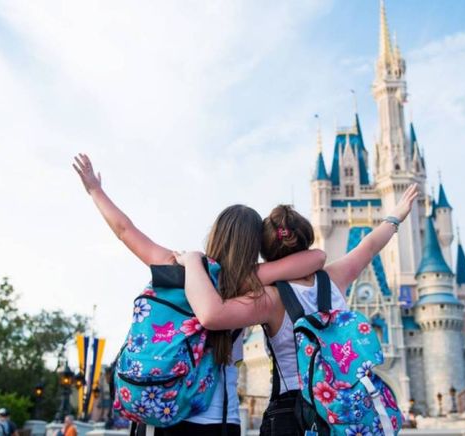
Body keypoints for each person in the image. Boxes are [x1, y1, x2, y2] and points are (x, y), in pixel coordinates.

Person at [72, 153, 326, 436]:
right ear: (254, 244)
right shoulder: (248, 280)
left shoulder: (178, 266)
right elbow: (316, 258)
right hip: (217, 420)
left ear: (215, 231)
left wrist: (95, 190)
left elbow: (124, 230)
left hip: (163, 412)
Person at [177, 184, 419, 435]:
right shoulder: (334, 278)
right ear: (306, 239)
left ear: (266, 251)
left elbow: (213, 314)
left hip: (290, 413)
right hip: (341, 408)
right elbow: (368, 246)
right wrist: (396, 215)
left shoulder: (269, 298)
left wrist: (192, 261)